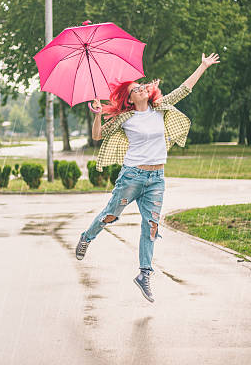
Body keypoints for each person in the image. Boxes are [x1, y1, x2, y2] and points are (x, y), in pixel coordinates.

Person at [75, 53, 220, 302]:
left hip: (157, 179)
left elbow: (184, 90)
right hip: (132, 177)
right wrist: (98, 114)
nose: (141, 88)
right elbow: (98, 136)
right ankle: (87, 237)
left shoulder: (159, 109)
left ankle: (144, 274)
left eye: (141, 85)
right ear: (129, 99)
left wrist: (202, 66)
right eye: (134, 89)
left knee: (151, 226)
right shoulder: (125, 118)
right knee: (111, 215)